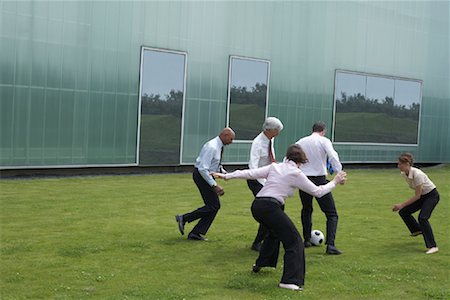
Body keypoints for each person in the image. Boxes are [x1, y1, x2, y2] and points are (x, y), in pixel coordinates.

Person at [213, 144, 347, 291]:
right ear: (301, 161)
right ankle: (289, 281)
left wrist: (227, 176)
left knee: (274, 233)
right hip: (270, 207)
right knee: (295, 241)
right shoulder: (296, 173)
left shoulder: (275, 167)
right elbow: (318, 191)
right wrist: (335, 181)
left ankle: (260, 264)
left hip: (257, 206)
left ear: (288, 157)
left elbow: (250, 173)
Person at [175, 127, 235, 241]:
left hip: (206, 175)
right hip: (201, 176)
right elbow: (203, 168)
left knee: (213, 206)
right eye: (231, 139)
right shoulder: (211, 147)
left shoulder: (219, 146)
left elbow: (215, 163)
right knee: (214, 205)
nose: (231, 142)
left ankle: (195, 232)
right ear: (225, 135)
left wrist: (223, 173)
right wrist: (214, 185)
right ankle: (185, 218)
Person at [295, 121, 343, 255]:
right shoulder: (324, 141)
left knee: (307, 209)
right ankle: (331, 245)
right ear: (323, 131)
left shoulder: (301, 141)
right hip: (319, 179)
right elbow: (333, 155)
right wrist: (340, 173)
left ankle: (306, 240)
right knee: (331, 213)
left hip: (304, 179)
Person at [247, 117, 284, 252]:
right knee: (268, 208)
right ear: (268, 130)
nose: (278, 133)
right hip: (256, 179)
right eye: (276, 131)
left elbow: (270, 159)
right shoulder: (257, 143)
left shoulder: (270, 139)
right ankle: (258, 242)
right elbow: (253, 166)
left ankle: (270, 237)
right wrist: (263, 185)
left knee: (275, 207)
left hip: (267, 178)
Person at [392, 153, 440, 254]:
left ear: (407, 164)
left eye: (400, 164)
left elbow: (417, 196)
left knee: (423, 218)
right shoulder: (404, 173)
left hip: (431, 196)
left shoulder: (418, 174)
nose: (398, 166)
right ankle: (417, 230)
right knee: (404, 212)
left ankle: (433, 246)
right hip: (423, 196)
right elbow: (419, 195)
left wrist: (401, 205)